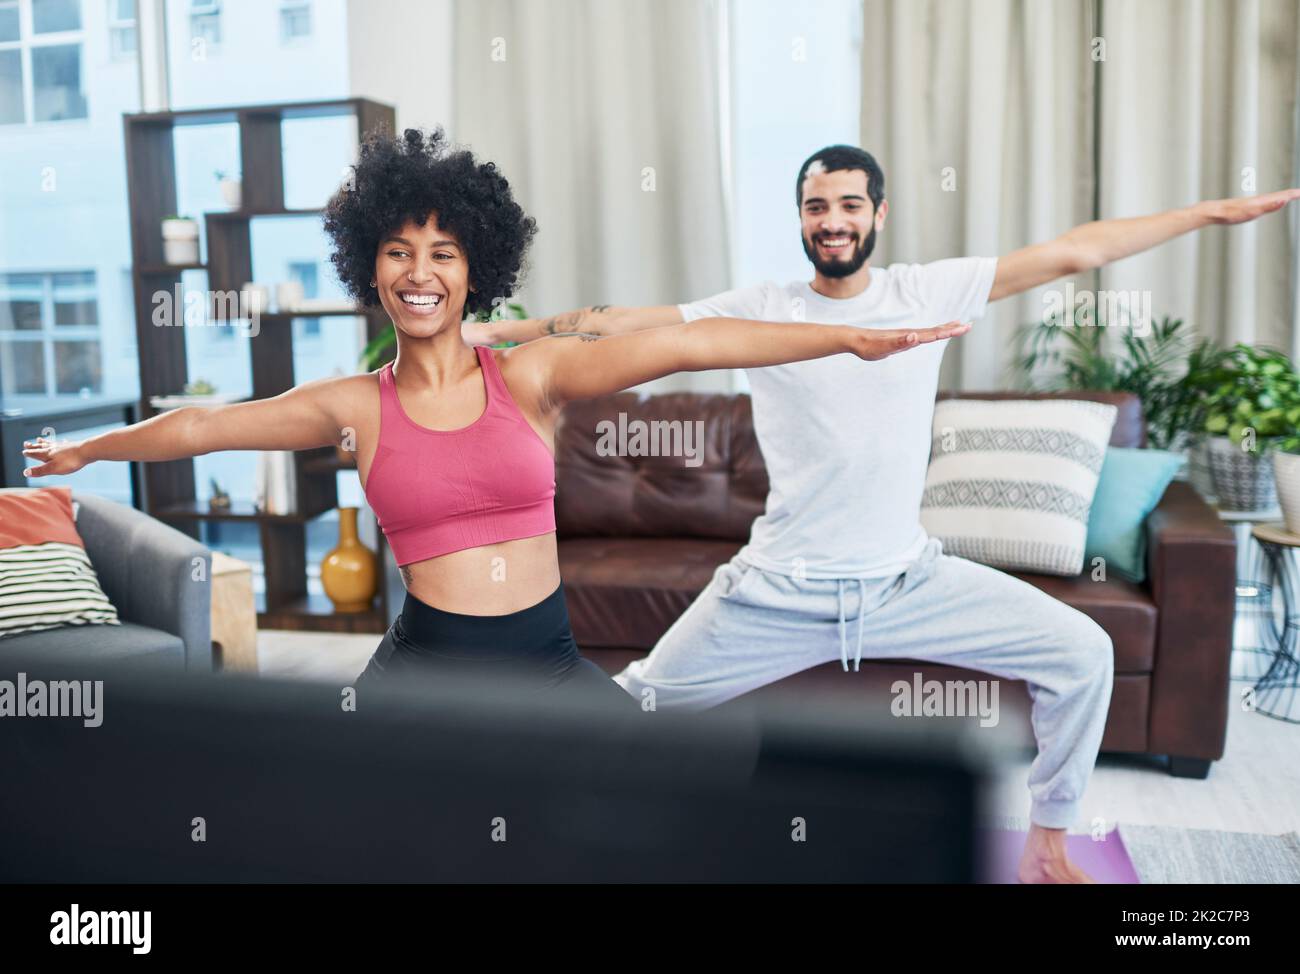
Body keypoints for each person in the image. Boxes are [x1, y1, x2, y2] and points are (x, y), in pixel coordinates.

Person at [468, 144, 1300, 881]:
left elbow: (1073, 252)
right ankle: (509, 821)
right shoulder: (766, 306)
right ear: (801, 217)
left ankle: (1047, 844)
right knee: (630, 706)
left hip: (907, 582)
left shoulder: (926, 292)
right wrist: (515, 332)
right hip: (774, 591)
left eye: (848, 205)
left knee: (1082, 651)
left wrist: (1207, 212)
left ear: (878, 213)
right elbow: (625, 324)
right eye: (816, 206)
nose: (832, 222)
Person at [20, 130, 968, 709]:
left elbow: (698, 343)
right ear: (371, 270)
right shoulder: (356, 405)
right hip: (425, 665)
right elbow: (201, 429)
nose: (419, 271)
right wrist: (86, 450)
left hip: (547, 662)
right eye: (396, 252)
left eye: (441, 251)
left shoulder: (532, 375)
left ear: (476, 270)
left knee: (670, 804)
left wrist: (844, 341)